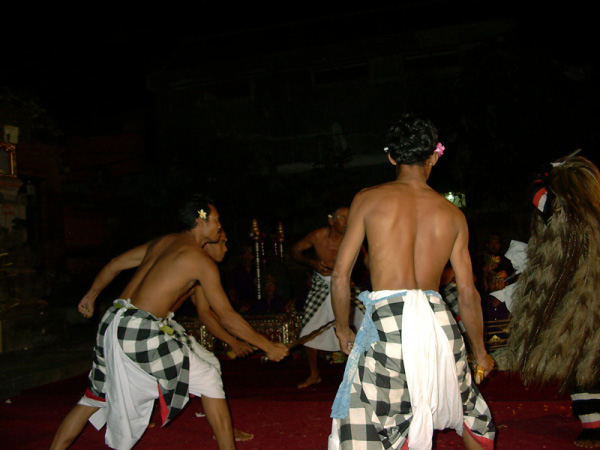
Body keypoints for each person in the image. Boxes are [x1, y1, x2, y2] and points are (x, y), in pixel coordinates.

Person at [50, 195, 289, 450]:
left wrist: (91, 295)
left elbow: (115, 264)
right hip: (139, 329)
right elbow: (227, 316)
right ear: (200, 220)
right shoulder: (200, 260)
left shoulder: (163, 242)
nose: (220, 227)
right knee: (208, 376)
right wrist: (268, 345)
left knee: (94, 397)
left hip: (112, 321)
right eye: (217, 221)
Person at [328, 114, 495, 450]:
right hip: (439, 323)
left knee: (373, 417)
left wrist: (343, 329)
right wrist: (480, 351)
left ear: (391, 156)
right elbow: (467, 291)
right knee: (467, 411)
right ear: (433, 156)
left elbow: (339, 275)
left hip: (390, 325)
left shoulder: (368, 198)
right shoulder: (452, 214)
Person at [507, 155, 600, 449]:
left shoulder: (554, 205)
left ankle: (593, 425)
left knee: (578, 360)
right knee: (585, 360)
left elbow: (533, 192)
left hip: (577, 300)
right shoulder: (585, 209)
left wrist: (544, 175)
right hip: (581, 297)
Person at [291, 207, 365, 388]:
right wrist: (312, 263)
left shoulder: (353, 236)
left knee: (366, 322)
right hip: (322, 283)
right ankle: (314, 374)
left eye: (351, 217)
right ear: (332, 220)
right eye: (343, 217)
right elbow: (295, 251)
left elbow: (368, 260)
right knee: (308, 330)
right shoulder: (318, 236)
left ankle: (360, 373)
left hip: (345, 284)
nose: (348, 221)